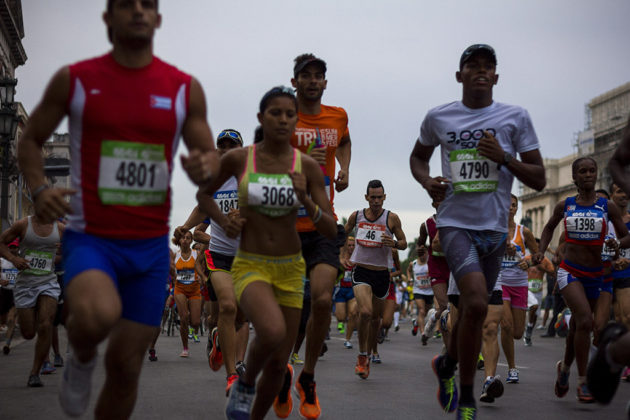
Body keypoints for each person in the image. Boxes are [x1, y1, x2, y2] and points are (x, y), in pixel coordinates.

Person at [16, 0, 218, 417]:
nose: (138, 11)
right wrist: (38, 189)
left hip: (147, 249)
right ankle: (81, 355)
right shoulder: (74, 80)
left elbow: (208, 156)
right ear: (108, 17)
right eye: (127, 4)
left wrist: (204, 165)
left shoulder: (183, 88)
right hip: (92, 237)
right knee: (94, 317)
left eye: (148, 4)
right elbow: (30, 139)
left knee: (126, 367)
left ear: (158, 18)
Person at [410, 44, 545, 418]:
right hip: (455, 225)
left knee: (475, 311)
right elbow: (418, 157)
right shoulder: (440, 117)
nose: (481, 72)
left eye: (489, 67)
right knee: (472, 302)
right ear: (460, 75)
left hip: (495, 232)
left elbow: (539, 178)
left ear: (497, 77)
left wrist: (504, 157)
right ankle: (467, 395)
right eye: (473, 66)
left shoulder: (515, 118)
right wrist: (427, 181)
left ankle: (447, 364)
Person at [195, 86, 336, 420]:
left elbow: (330, 227)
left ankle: (251, 410)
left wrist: (306, 202)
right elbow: (204, 196)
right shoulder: (240, 158)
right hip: (251, 264)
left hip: (289, 268)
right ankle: (243, 382)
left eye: (290, 114)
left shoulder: (307, 166)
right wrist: (223, 222)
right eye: (276, 113)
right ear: (261, 118)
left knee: (277, 364)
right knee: (271, 332)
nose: (283, 120)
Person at [533, 157, 630, 403]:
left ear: (596, 175)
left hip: (598, 275)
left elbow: (626, 237)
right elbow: (547, 229)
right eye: (583, 171)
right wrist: (540, 250)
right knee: (585, 322)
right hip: (570, 271)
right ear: (574, 178)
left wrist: (616, 244)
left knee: (583, 328)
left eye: (592, 171)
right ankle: (583, 382)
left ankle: (564, 370)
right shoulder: (564, 205)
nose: (588, 175)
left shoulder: (607, 206)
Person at [286, 53, 351, 420]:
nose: (312, 81)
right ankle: (282, 371)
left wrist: (344, 168)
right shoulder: (283, 116)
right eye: (305, 76)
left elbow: (344, 140)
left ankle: (307, 377)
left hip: (324, 224)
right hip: (284, 228)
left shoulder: (337, 116)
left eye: (318, 76)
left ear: (325, 82)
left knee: (323, 301)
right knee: (289, 310)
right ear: (294, 82)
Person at [175, 128, 250, 395]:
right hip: (219, 254)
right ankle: (232, 374)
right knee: (227, 307)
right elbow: (201, 208)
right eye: (222, 145)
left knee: (242, 317)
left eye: (233, 145)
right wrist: (185, 227)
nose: (227, 149)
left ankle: (230, 351)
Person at [344, 179, 407, 380]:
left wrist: (395, 243)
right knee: (365, 312)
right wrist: (342, 256)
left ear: (384, 197)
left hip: (382, 274)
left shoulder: (392, 218)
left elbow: (404, 243)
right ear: (366, 198)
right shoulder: (357, 216)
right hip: (361, 271)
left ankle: (370, 353)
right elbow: (340, 236)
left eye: (380, 197)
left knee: (375, 320)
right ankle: (362, 356)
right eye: (373, 197)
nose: (376, 201)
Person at [0, 216, 64, 387]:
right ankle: (35, 313)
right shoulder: (22, 225)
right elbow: (1, 243)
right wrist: (14, 259)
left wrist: (65, 250)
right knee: (28, 333)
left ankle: (35, 372)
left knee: (46, 324)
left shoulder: (61, 228)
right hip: (25, 284)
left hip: (48, 282)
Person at [497, 194, 538, 384]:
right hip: (500, 282)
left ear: (516, 209)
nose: (510, 208)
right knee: (506, 325)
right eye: (507, 205)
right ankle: (512, 368)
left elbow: (538, 255)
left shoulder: (524, 232)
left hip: (519, 284)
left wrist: (527, 261)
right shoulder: (494, 230)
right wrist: (500, 250)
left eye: (513, 205)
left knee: (517, 333)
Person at [418, 199, 450, 346]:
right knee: (444, 308)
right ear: (434, 204)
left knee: (460, 308)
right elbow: (421, 242)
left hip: (454, 267)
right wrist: (420, 249)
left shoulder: (456, 221)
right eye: (439, 201)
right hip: (437, 268)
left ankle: (433, 316)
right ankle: (447, 343)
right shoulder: (426, 224)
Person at [172, 231, 202, 357]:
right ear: (180, 240)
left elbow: (203, 267)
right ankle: (185, 348)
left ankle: (191, 323)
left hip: (195, 290)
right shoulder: (175, 255)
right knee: (184, 318)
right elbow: (171, 272)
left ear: (191, 241)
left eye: (188, 238)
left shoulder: (197, 254)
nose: (185, 240)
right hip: (180, 290)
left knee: (195, 322)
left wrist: (201, 277)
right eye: (183, 238)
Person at [335, 236, 357, 349]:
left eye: (353, 245)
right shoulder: (340, 256)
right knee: (341, 317)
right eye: (349, 245)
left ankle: (348, 339)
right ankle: (341, 322)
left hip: (352, 290)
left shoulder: (358, 257)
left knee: (353, 313)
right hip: (340, 289)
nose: (351, 247)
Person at [407, 246, 433, 344]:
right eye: (420, 254)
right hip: (418, 291)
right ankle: (423, 334)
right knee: (421, 311)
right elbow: (408, 271)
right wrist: (409, 279)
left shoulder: (430, 263)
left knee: (426, 312)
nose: (422, 256)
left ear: (427, 253)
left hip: (430, 291)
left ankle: (416, 324)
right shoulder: (413, 264)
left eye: (424, 253)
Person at [0, 238, 19, 355]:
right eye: (10, 247)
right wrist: (1, 281)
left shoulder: (22, 261)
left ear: (18, 248)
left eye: (14, 247)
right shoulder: (2, 261)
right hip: (3, 292)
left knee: (11, 319)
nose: (12, 250)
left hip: (16, 293)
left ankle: (7, 344)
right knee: (3, 320)